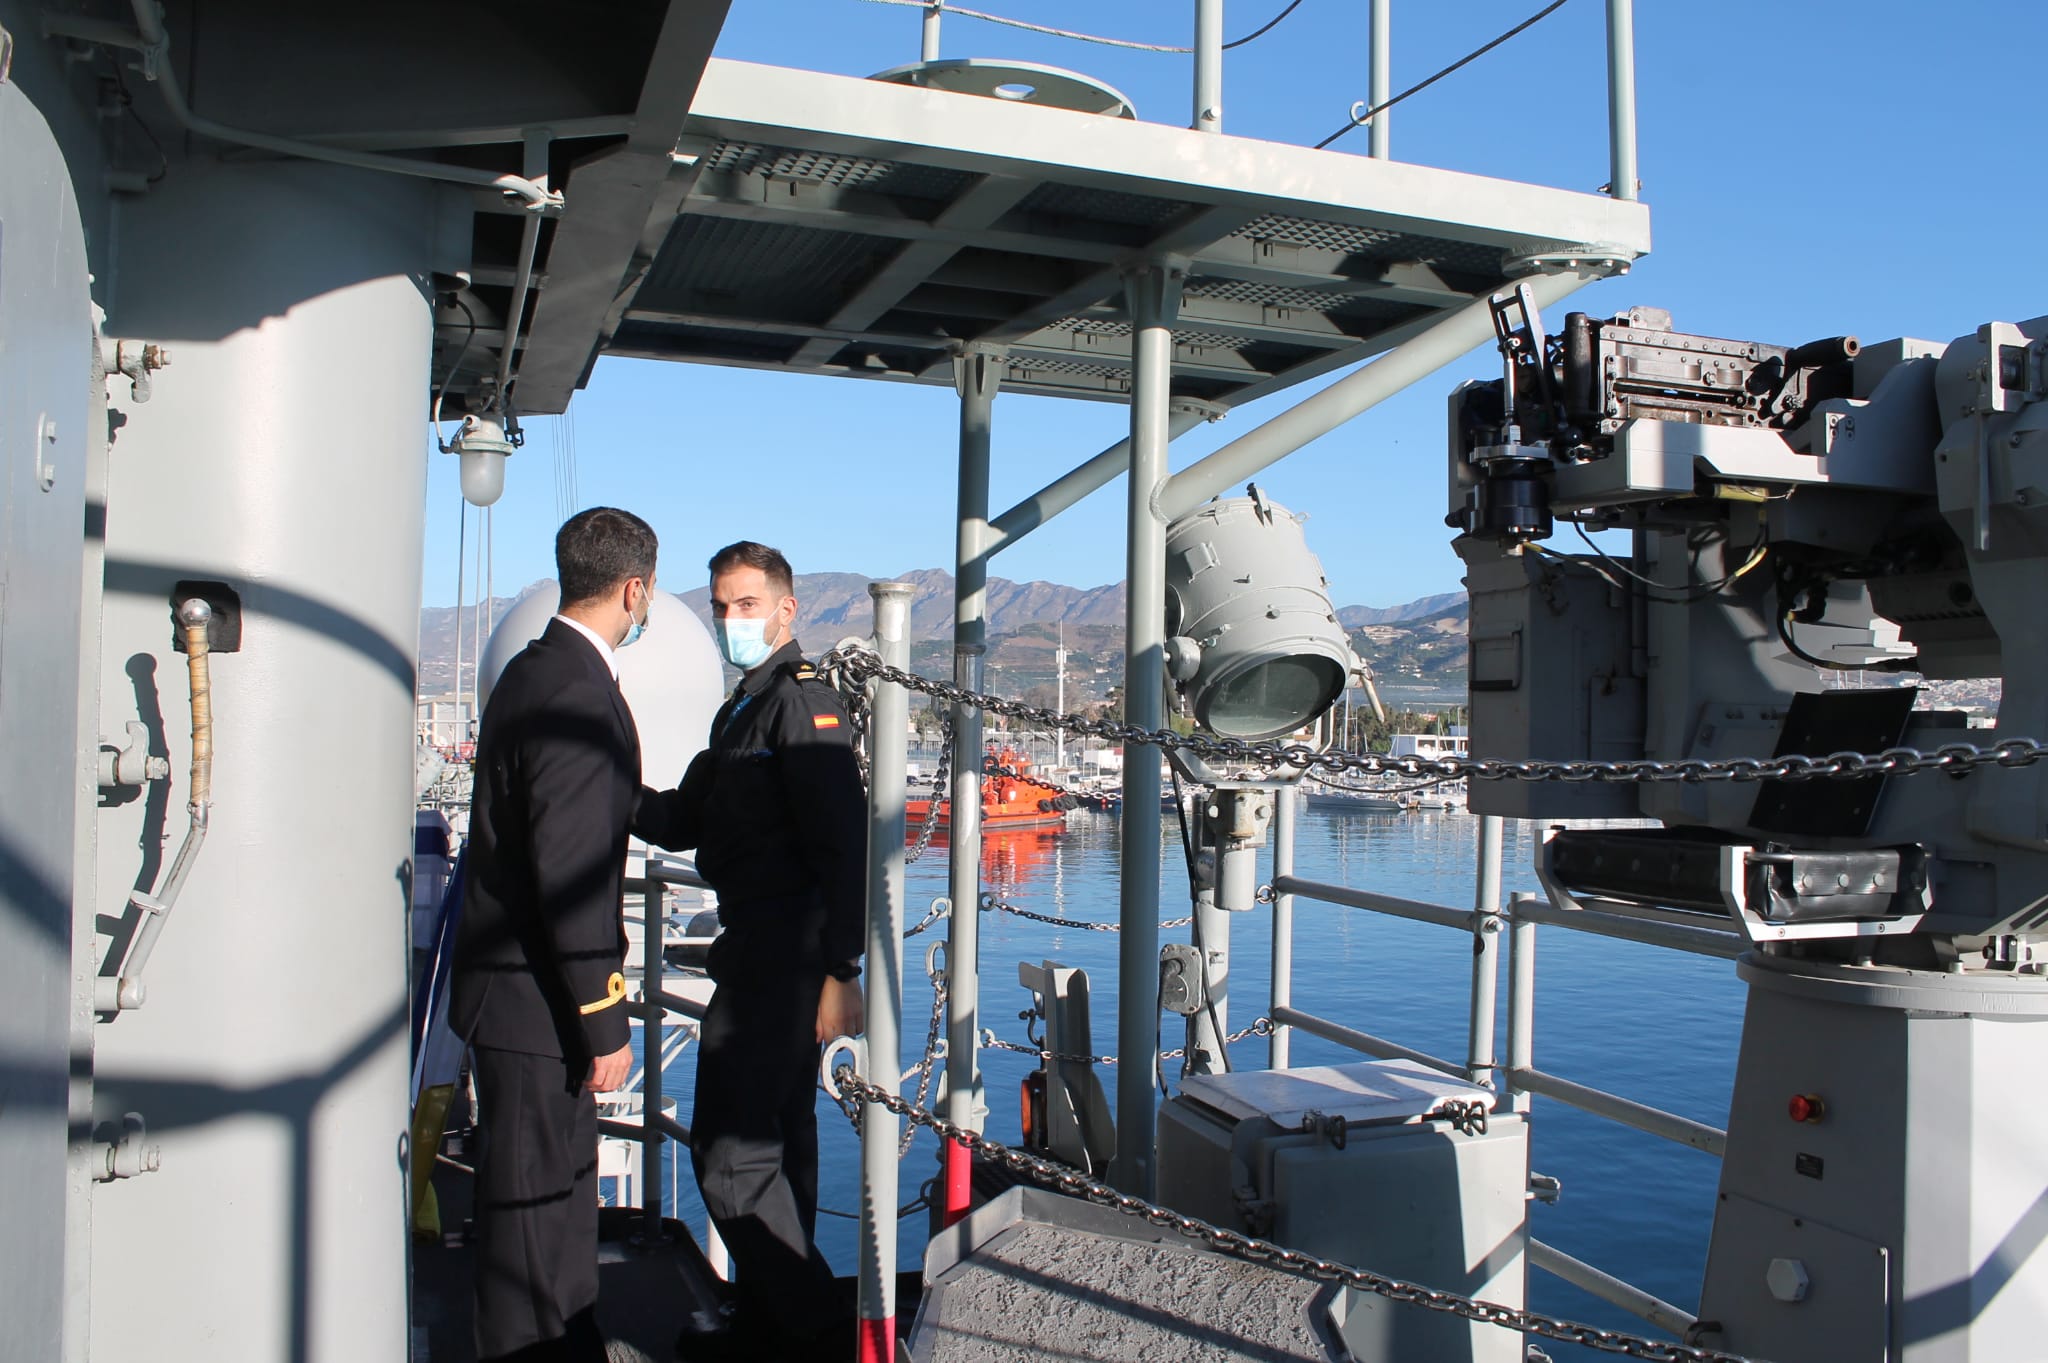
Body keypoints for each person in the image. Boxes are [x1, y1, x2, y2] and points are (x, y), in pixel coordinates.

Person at [635, 541, 865, 1362]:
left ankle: (812, 1326)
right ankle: (775, 1327)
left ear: (785, 609)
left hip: (787, 956)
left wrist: (842, 973)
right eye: (721, 605)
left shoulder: (804, 707)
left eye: (745, 605)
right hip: (756, 945)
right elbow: (687, 816)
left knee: (727, 1151)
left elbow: (843, 848)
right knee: (780, 1145)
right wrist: (608, 780)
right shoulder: (741, 710)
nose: (731, 619)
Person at [449, 507, 658, 1362]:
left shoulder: (534, 671)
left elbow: (573, 816)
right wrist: (603, 1018)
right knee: (533, 1225)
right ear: (635, 589)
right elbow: (570, 875)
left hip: (514, 999)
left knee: (554, 1203)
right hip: (540, 1011)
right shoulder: (576, 691)